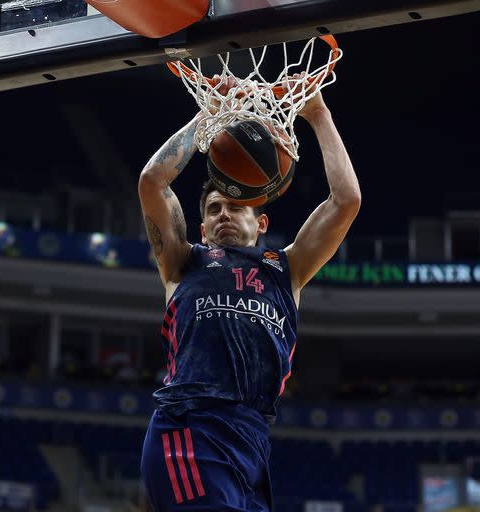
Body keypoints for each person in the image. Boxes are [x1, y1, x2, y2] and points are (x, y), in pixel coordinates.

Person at [138, 77, 360, 510]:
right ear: (201, 228)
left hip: (252, 439)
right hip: (190, 428)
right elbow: (152, 181)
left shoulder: (288, 270)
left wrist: (317, 114)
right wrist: (211, 114)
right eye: (214, 209)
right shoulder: (184, 263)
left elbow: (346, 199)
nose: (224, 214)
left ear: (260, 224)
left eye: (236, 207)